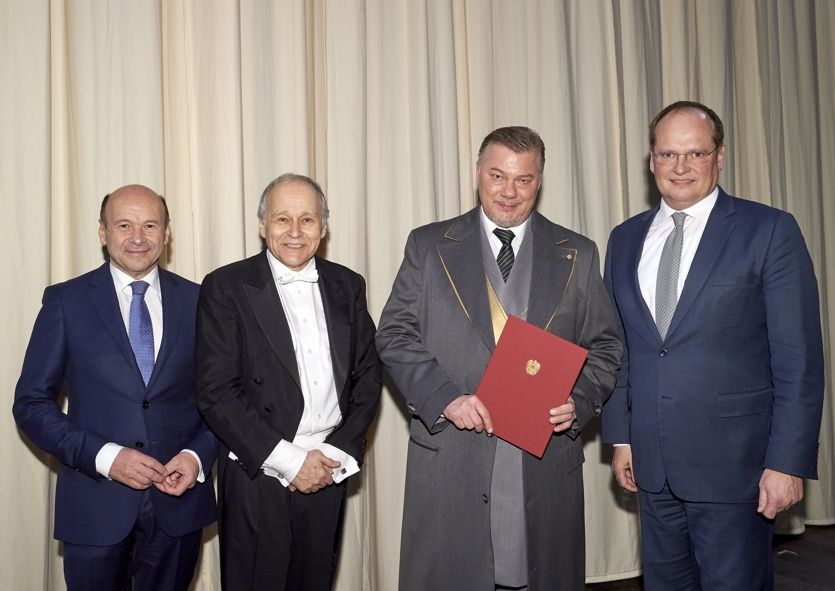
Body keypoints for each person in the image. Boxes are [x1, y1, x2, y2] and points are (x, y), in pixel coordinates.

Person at [376, 126, 622, 590]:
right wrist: (444, 397)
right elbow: (394, 334)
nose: (509, 192)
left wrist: (581, 400)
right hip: (453, 455)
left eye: (524, 180)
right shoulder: (428, 246)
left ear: (539, 181)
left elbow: (607, 346)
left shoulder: (578, 253)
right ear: (477, 174)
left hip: (544, 461)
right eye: (497, 176)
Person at [602, 101, 825, 589]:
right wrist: (621, 437)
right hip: (652, 466)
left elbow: (799, 359)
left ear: (719, 156)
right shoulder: (624, 240)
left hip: (737, 468)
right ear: (651, 160)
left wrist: (786, 462)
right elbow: (619, 349)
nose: (680, 167)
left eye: (695, 153)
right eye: (667, 154)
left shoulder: (768, 230)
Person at [13, 184, 217, 591]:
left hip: (177, 508)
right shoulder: (65, 302)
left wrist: (196, 457)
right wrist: (106, 457)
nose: (138, 237)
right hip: (93, 506)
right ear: (103, 232)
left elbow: (222, 398)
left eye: (150, 225)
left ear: (167, 233)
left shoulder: (202, 302)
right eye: (124, 225)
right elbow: (32, 404)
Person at [196, 173, 382, 591]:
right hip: (259, 472)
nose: (295, 232)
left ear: (324, 227)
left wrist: (335, 452)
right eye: (282, 219)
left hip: (327, 470)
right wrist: (291, 461)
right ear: (262, 225)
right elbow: (215, 391)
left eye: (308, 220)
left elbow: (368, 376)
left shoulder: (347, 285)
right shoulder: (226, 287)